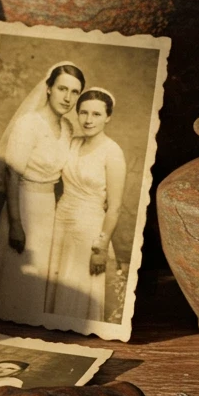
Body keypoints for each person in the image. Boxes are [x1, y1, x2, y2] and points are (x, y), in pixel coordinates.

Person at [0, 61, 85, 322]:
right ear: (48, 89)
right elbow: (12, 173)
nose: (68, 98)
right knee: (18, 277)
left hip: (49, 208)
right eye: (62, 89)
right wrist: (16, 224)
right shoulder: (28, 124)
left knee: (41, 279)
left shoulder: (68, 128)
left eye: (75, 92)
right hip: (23, 205)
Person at [45, 88, 126, 322]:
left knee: (77, 290)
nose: (88, 120)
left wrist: (100, 249)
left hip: (89, 230)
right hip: (59, 222)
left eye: (97, 114)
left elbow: (115, 207)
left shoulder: (112, 152)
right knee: (54, 284)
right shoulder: (72, 143)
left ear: (108, 117)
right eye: (83, 113)